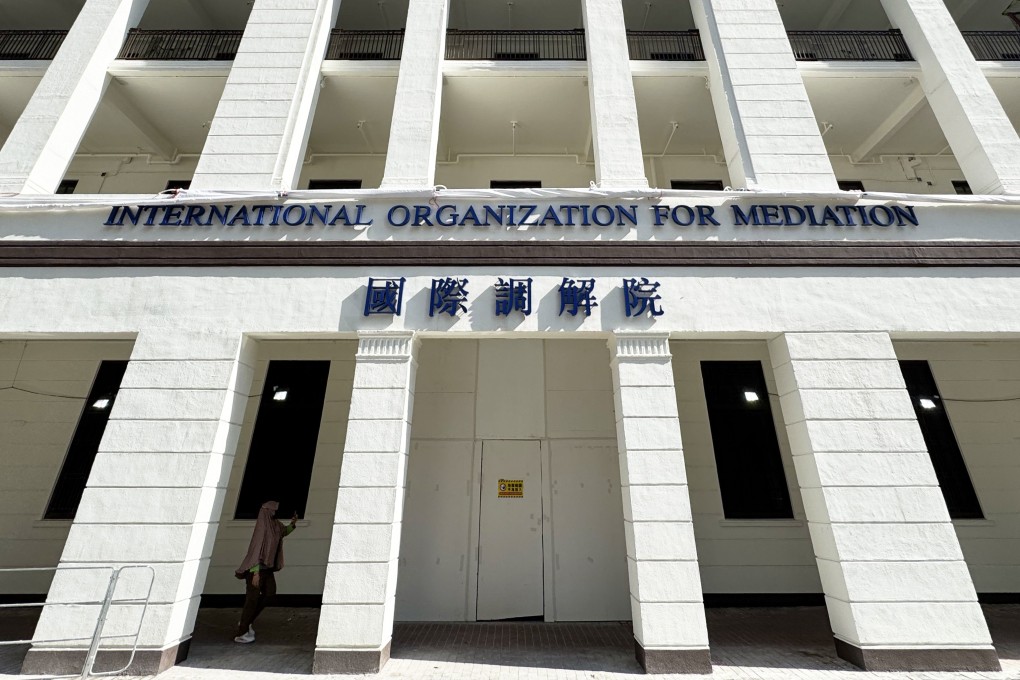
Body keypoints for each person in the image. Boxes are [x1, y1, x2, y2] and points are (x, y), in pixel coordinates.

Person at [233, 500, 298, 643]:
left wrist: (293, 524)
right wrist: (255, 573)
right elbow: (256, 550)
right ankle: (241, 632)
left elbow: (283, 532)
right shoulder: (262, 528)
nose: (275, 512)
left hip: (267, 569)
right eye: (273, 510)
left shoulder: (275, 525)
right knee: (252, 599)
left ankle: (247, 621)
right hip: (256, 570)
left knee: (270, 594)